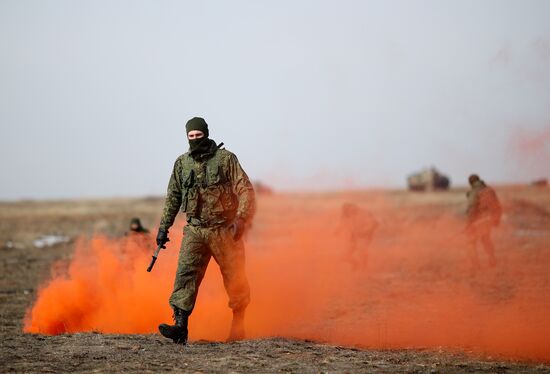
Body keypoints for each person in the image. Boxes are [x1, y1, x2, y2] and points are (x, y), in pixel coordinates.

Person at [156, 117, 255, 345]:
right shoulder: (182, 164)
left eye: (198, 136)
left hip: (224, 230)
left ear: (206, 134)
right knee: (185, 275)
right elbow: (173, 196)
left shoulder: (225, 159)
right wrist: (164, 228)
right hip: (196, 230)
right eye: (191, 137)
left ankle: (238, 326)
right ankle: (180, 327)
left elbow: (245, 188)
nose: (195, 140)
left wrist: (240, 219)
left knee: (235, 279)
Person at [465, 174, 502, 269]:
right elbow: (497, 205)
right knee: (486, 239)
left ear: (471, 182)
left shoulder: (473, 191)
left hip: (478, 219)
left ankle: (475, 265)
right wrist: (496, 219)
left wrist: (469, 223)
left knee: (471, 241)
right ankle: (492, 258)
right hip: (489, 219)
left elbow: (472, 208)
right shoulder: (489, 190)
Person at [336, 202, 378, 271]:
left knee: (362, 251)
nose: (348, 213)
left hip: (364, 237)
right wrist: (337, 230)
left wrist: (365, 231)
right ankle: (356, 264)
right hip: (353, 237)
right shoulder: (346, 215)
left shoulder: (364, 213)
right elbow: (342, 223)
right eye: (346, 211)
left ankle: (363, 268)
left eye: (349, 210)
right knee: (344, 256)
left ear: (354, 207)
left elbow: (375, 224)